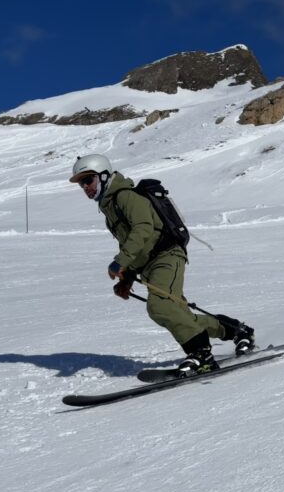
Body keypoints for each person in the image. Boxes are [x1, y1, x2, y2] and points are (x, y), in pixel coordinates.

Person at [69, 154, 255, 376]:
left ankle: (201, 355)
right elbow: (132, 243)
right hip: (150, 265)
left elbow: (143, 229)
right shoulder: (109, 208)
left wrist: (120, 261)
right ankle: (237, 331)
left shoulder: (125, 197)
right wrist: (127, 278)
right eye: (81, 184)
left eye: (88, 180)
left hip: (167, 256)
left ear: (103, 175)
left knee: (160, 307)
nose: (85, 187)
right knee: (180, 315)